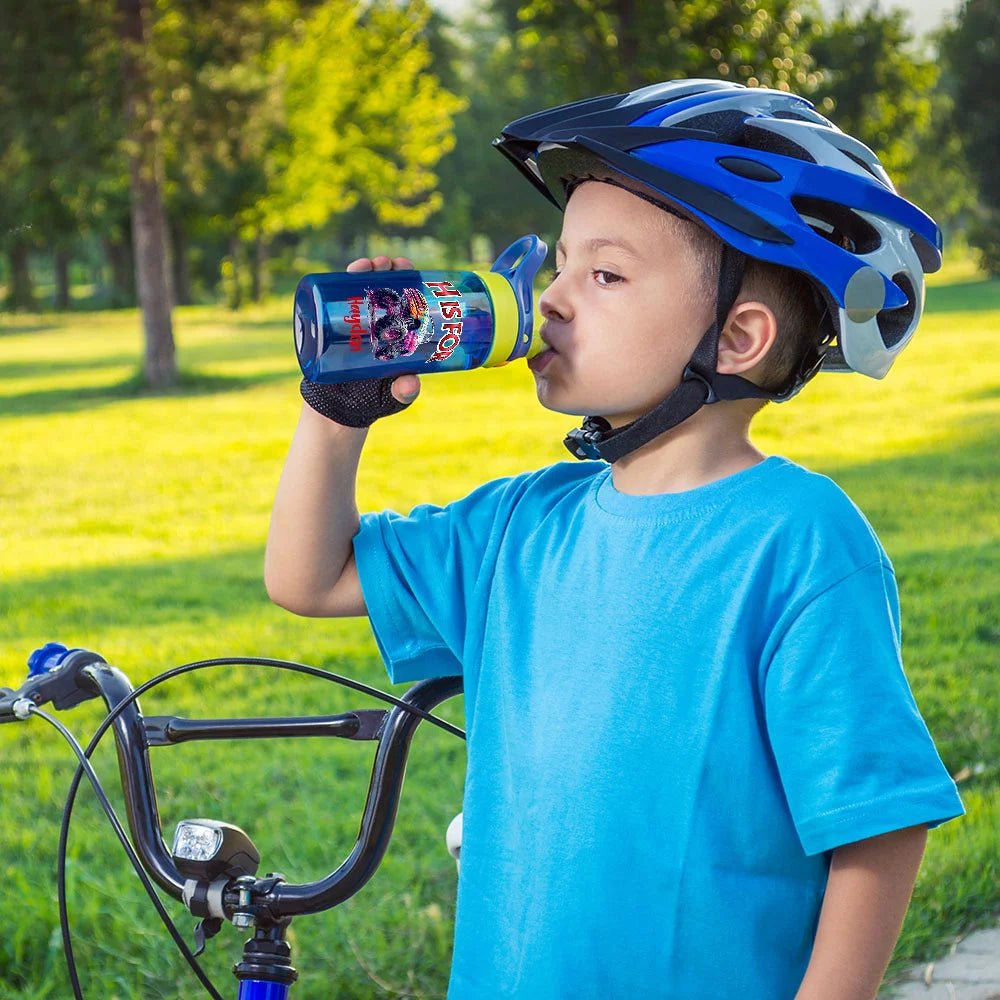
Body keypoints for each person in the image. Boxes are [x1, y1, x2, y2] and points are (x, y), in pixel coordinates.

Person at [265, 79, 964, 998]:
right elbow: (307, 577)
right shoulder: (519, 524)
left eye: (606, 275)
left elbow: (876, 829)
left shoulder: (799, 541)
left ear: (739, 337)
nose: (551, 299)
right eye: (559, 265)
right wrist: (336, 413)